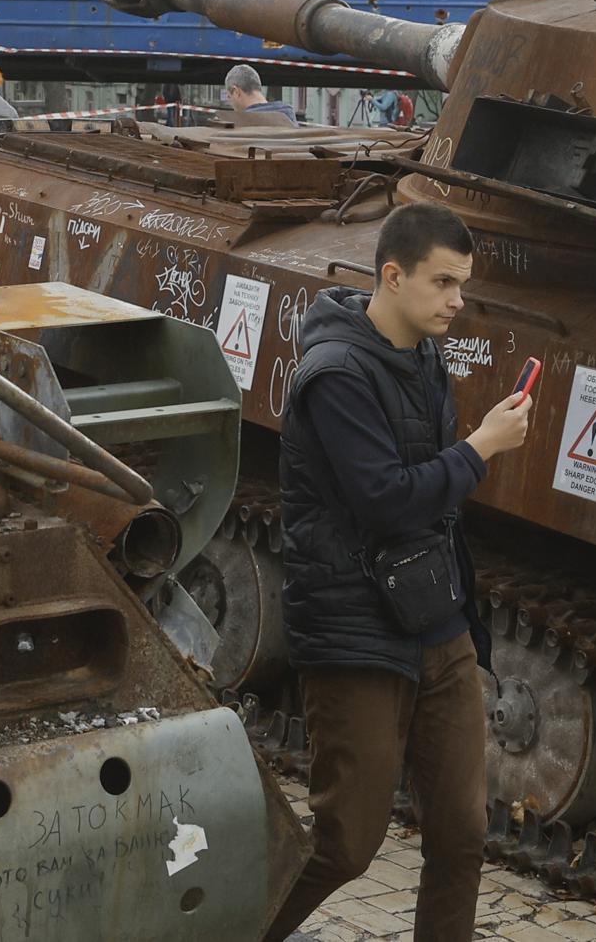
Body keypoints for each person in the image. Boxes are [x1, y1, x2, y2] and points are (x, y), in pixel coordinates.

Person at [262, 201, 534, 942]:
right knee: (347, 844)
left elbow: (427, 496)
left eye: (462, 285)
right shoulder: (336, 373)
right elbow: (384, 499)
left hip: (435, 623)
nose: (456, 301)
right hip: (356, 631)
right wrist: (480, 447)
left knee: (462, 833)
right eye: (443, 282)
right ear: (392, 274)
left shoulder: (423, 356)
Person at [223, 63, 299, 125]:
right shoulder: (288, 115)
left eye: (229, 96)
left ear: (236, 92)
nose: (230, 103)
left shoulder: (241, 124)